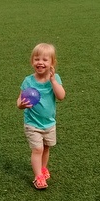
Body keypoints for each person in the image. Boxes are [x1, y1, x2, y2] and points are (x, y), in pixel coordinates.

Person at [17, 43, 65, 190]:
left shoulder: (54, 78)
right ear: (32, 61)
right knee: (37, 149)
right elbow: (19, 101)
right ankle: (38, 177)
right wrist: (22, 105)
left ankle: (43, 169)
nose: (40, 62)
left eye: (45, 60)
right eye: (37, 59)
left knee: (46, 147)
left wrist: (53, 81)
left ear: (52, 63)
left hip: (49, 123)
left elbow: (61, 96)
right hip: (32, 123)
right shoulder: (28, 81)